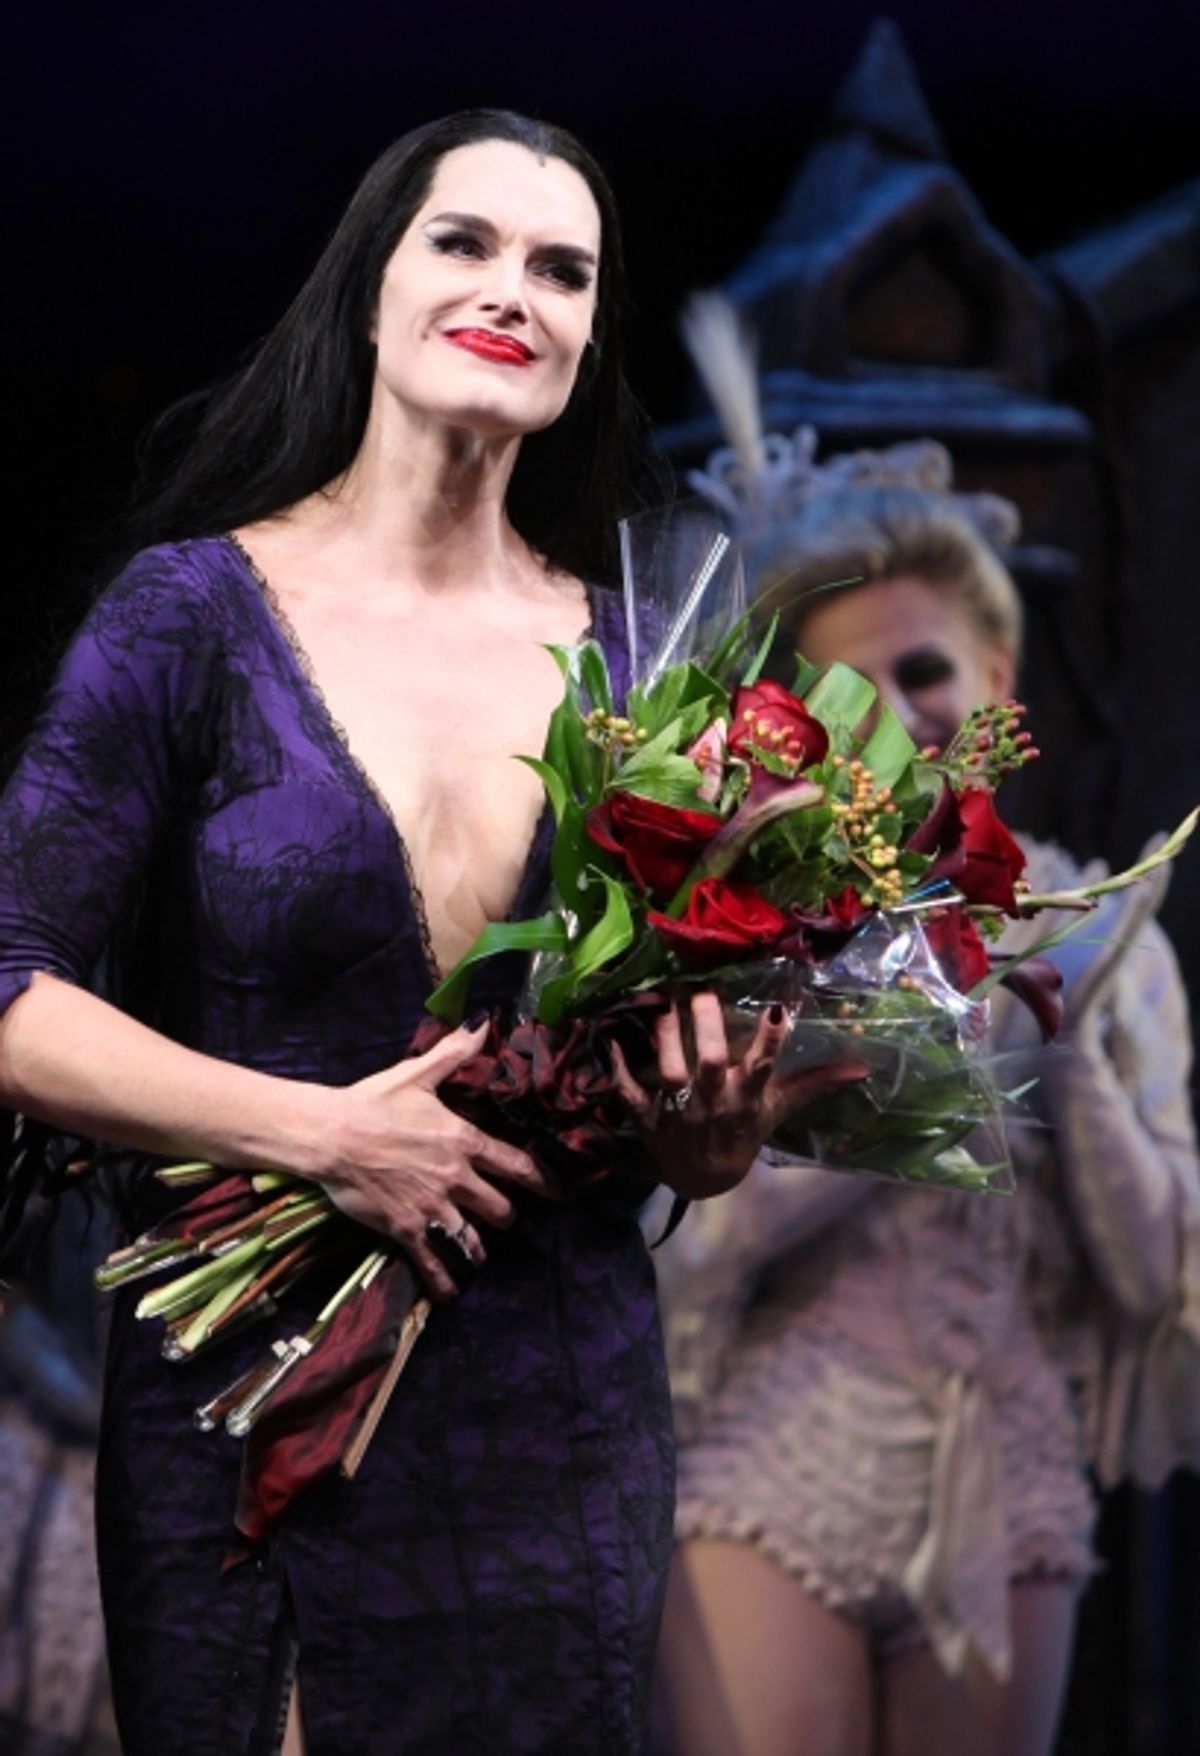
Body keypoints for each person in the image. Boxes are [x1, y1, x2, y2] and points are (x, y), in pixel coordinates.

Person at [0, 111, 836, 1756]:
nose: (512, 289)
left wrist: (706, 1138)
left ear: (590, 340)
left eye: (562, 268)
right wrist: (318, 1133)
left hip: (562, 1403)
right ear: (368, 293)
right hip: (256, 1402)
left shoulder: (646, 672)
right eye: (464, 243)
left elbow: (651, 1066)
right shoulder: (190, 614)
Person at [652, 458, 1200, 1756]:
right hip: (779, 1471)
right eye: (848, 690)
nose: (895, 714)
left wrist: (1063, 1050)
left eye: (925, 672)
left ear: (999, 679)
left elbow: (1160, 1273)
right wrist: (920, 1054)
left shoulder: (1104, 926)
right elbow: (687, 1255)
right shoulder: (749, 924)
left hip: (1009, 1478)